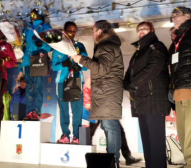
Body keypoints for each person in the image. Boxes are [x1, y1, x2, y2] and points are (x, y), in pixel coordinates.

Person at [72, 20, 123, 167]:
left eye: (93, 31)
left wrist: (81, 59)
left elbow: (101, 69)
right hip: (106, 92)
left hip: (108, 92)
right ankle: (112, 161)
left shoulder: (107, 46)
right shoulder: (106, 45)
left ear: (100, 31)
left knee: (111, 127)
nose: (93, 34)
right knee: (108, 127)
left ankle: (113, 163)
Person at [123, 21, 170, 168]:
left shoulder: (157, 46)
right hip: (141, 101)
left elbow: (154, 67)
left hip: (154, 100)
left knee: (156, 144)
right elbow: (129, 73)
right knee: (147, 143)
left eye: (144, 29)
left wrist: (133, 83)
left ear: (152, 30)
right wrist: (126, 84)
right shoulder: (138, 52)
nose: (141, 31)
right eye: (139, 29)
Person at [52, 21, 87, 144]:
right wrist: (64, 64)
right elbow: (54, 67)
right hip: (62, 81)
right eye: (69, 31)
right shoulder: (58, 46)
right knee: (64, 109)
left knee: (77, 109)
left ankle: (76, 136)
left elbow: (87, 65)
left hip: (77, 80)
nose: (72, 33)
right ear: (64, 31)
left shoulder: (80, 46)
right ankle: (65, 135)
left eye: (74, 31)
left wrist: (80, 67)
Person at [19, 8, 52, 120]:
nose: (33, 15)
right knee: (29, 88)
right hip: (28, 61)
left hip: (39, 60)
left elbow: (50, 46)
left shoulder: (45, 27)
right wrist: (22, 64)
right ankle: (29, 112)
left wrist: (40, 44)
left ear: (40, 15)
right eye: (31, 13)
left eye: (36, 13)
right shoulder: (26, 28)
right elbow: (23, 46)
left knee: (37, 88)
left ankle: (36, 112)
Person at [169, 6, 191, 167]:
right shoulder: (178, 40)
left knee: (189, 135)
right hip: (179, 92)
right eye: (172, 15)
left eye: (177, 14)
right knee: (183, 135)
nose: (173, 17)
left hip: (189, 90)